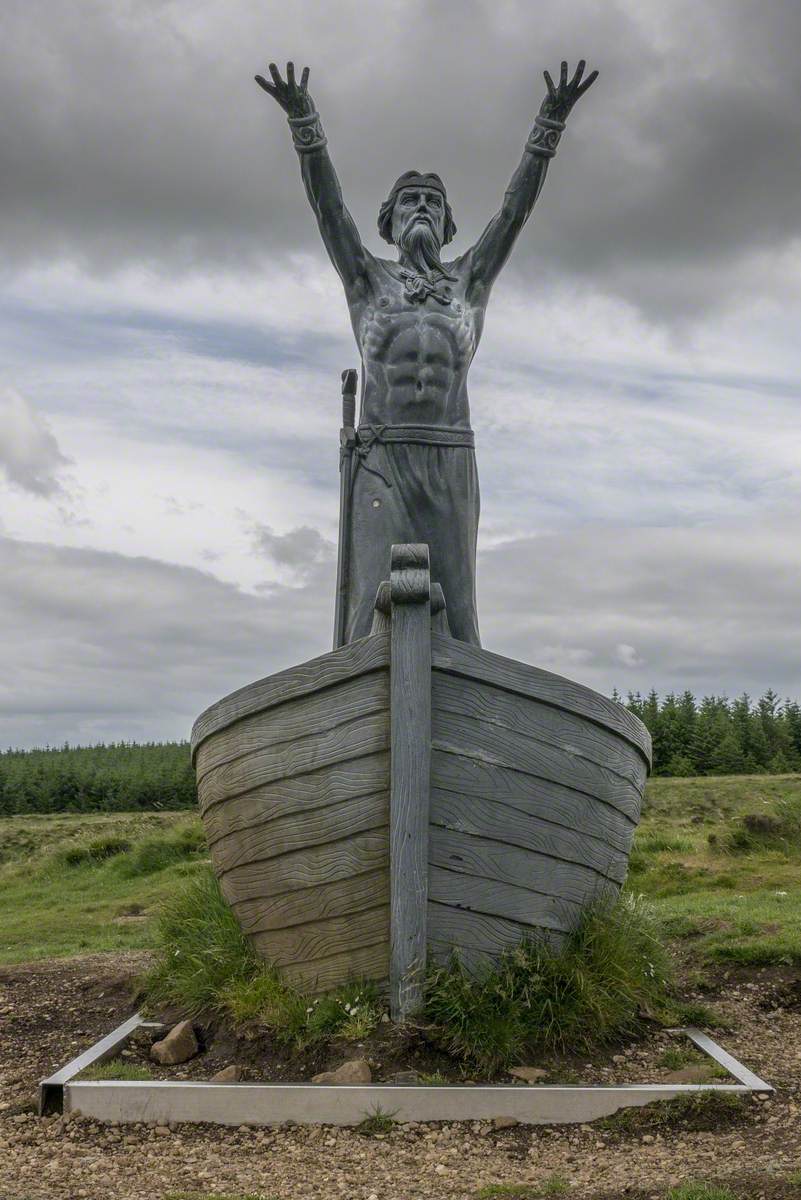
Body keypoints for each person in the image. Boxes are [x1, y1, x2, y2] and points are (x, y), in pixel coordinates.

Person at [256, 60, 597, 644]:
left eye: (432, 202)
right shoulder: (368, 282)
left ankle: (466, 708)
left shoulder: (471, 282)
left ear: (446, 226)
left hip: (448, 455)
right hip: (382, 456)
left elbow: (513, 214)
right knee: (368, 604)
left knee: (459, 608)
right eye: (409, 200)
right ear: (389, 222)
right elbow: (329, 210)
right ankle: (360, 699)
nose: (421, 206)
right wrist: (304, 124)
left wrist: (548, 128)